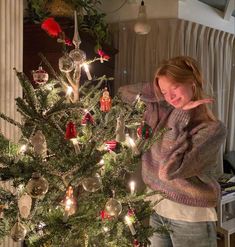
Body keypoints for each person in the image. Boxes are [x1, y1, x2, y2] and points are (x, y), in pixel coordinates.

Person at [119, 56, 227, 247]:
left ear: (192, 83)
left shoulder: (211, 129)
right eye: (164, 92)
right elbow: (124, 93)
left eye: (175, 87)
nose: (170, 97)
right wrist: (160, 88)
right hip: (158, 206)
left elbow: (168, 170)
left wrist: (179, 117)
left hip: (189, 215)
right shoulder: (160, 111)